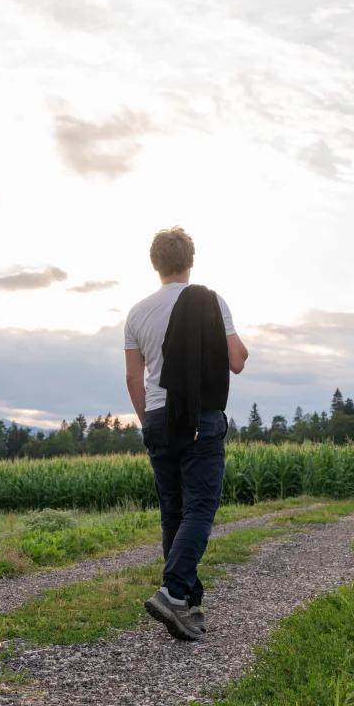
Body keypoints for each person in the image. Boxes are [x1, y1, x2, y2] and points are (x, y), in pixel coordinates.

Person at [124, 226, 248, 640]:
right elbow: (237, 361)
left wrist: (147, 422)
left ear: (155, 264)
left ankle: (190, 606)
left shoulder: (138, 312)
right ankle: (173, 590)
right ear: (190, 261)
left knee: (173, 513)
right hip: (200, 417)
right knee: (199, 510)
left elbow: (133, 376)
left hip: (158, 418)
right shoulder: (210, 302)